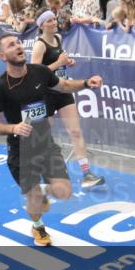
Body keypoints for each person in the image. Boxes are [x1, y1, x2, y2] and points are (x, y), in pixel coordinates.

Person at [0, 34, 103, 247]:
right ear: (2, 56)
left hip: (46, 145)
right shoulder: (0, 87)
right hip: (21, 152)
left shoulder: (40, 72)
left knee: (64, 192)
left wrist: (86, 83)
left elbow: (65, 86)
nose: (18, 46)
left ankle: (39, 194)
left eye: (19, 42)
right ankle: (38, 226)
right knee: (35, 201)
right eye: (11, 45)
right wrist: (13, 128)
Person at [30, 10, 105, 189]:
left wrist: (67, 62)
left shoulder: (58, 38)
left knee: (76, 132)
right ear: (41, 25)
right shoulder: (39, 45)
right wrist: (58, 63)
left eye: (54, 19)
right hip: (46, 94)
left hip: (63, 89)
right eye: (49, 21)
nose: (54, 22)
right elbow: (34, 73)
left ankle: (87, 174)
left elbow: (59, 62)